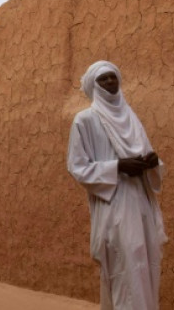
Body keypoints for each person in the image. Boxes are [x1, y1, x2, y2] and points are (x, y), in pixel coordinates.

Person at [67, 60, 167, 310]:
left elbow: (144, 152)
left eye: (113, 77)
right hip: (115, 205)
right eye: (103, 79)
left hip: (140, 200)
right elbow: (77, 166)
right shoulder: (85, 120)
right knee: (124, 267)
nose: (110, 82)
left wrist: (153, 162)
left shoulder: (131, 116)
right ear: (94, 85)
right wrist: (117, 167)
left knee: (145, 264)